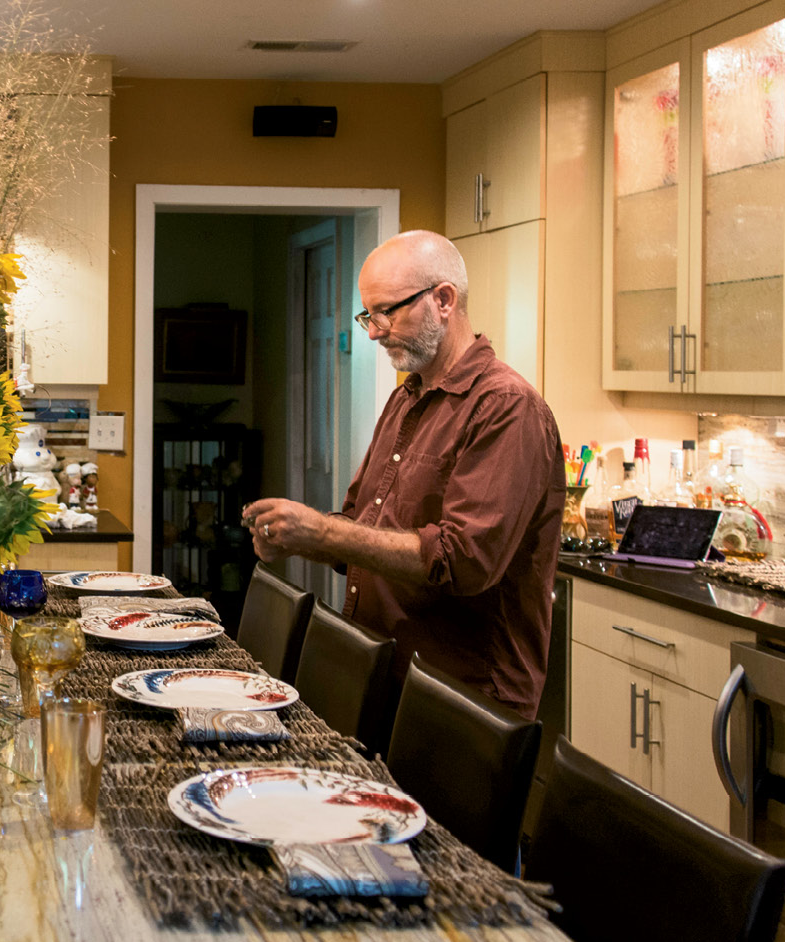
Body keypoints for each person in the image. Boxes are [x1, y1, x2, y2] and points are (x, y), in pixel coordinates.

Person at [241, 230, 564, 719]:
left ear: (444, 299)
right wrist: (300, 538)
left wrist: (322, 531)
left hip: (466, 697)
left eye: (387, 312)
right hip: (387, 673)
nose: (374, 331)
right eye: (368, 315)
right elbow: (361, 524)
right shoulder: (406, 398)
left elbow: (463, 561)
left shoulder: (506, 407)